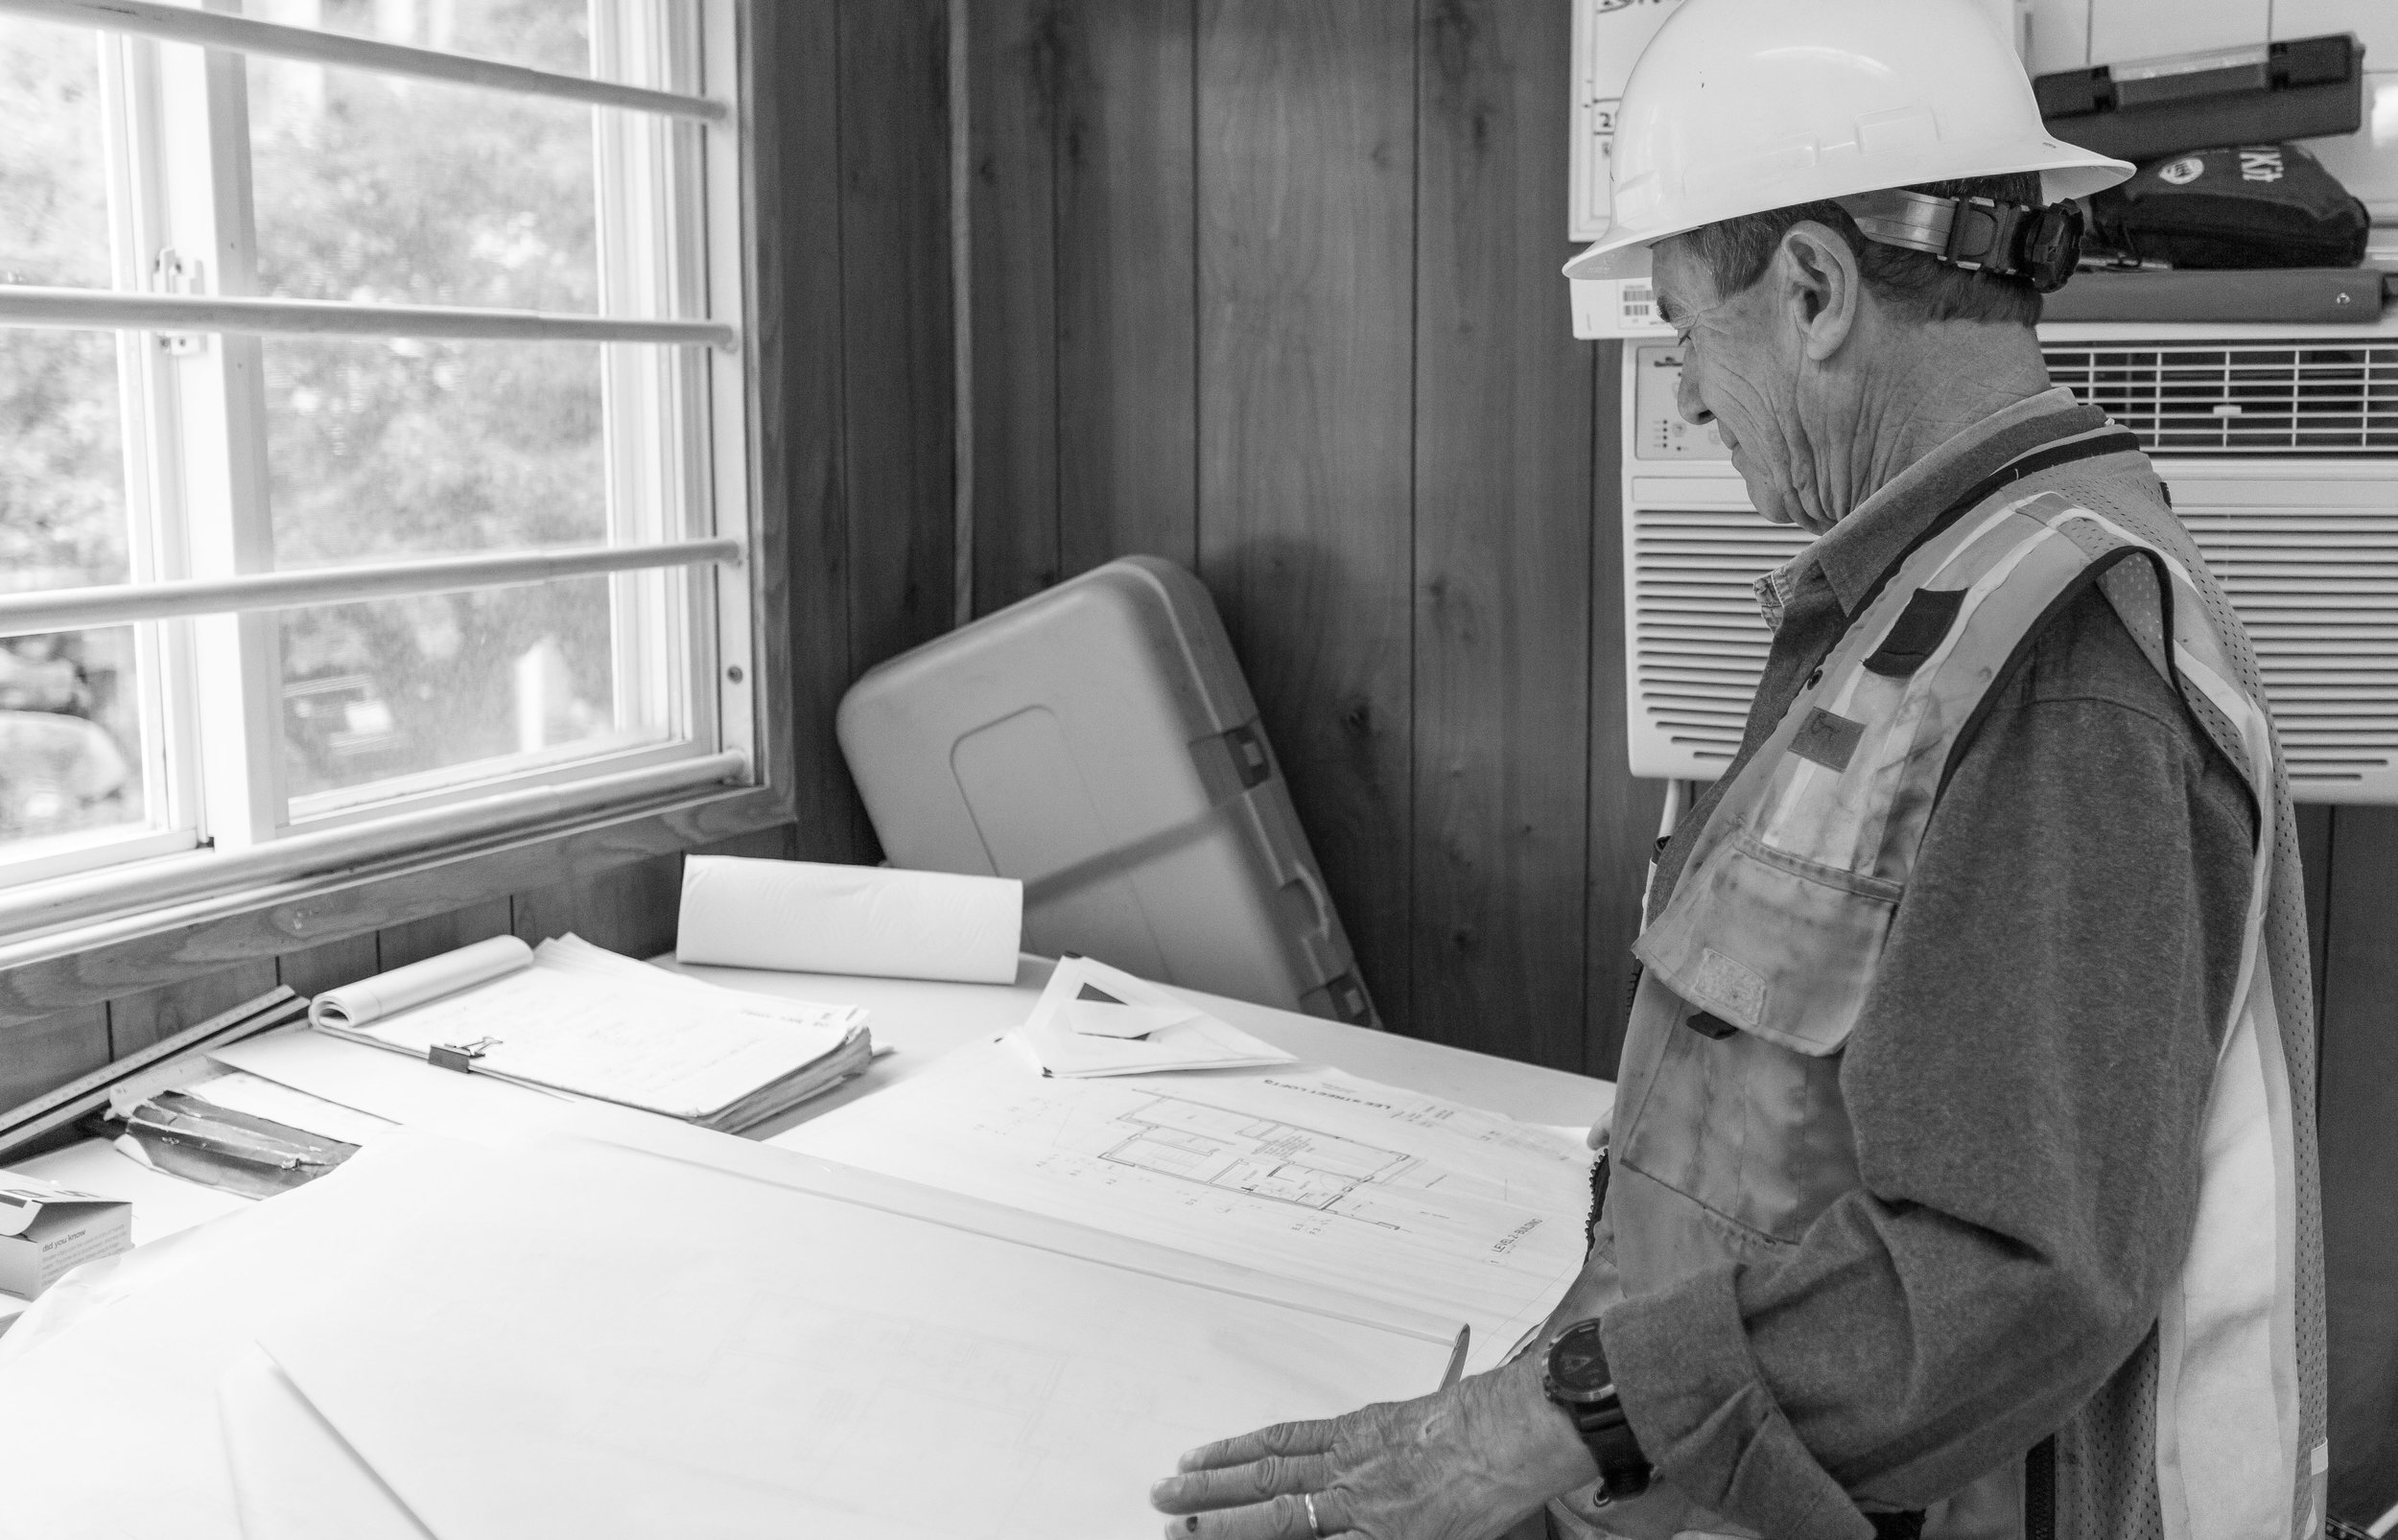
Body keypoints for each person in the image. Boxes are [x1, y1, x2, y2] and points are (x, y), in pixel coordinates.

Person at [1147, 3, 2325, 1539]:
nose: (1687, 395)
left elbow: (2010, 1272)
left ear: (1818, 289)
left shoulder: (2060, 667)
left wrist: (1560, 1420)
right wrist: (1558, 1415)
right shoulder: (1919, 602)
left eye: (1685, 332)